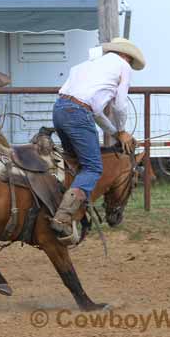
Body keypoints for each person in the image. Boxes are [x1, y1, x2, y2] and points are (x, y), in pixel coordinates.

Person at [51, 37, 146, 242]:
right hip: (78, 113)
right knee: (93, 168)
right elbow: (120, 105)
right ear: (126, 56)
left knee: (73, 161)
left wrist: (115, 133)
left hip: (59, 109)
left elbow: (95, 113)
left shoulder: (85, 66)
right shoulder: (123, 66)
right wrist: (121, 130)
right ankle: (63, 217)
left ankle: (61, 206)